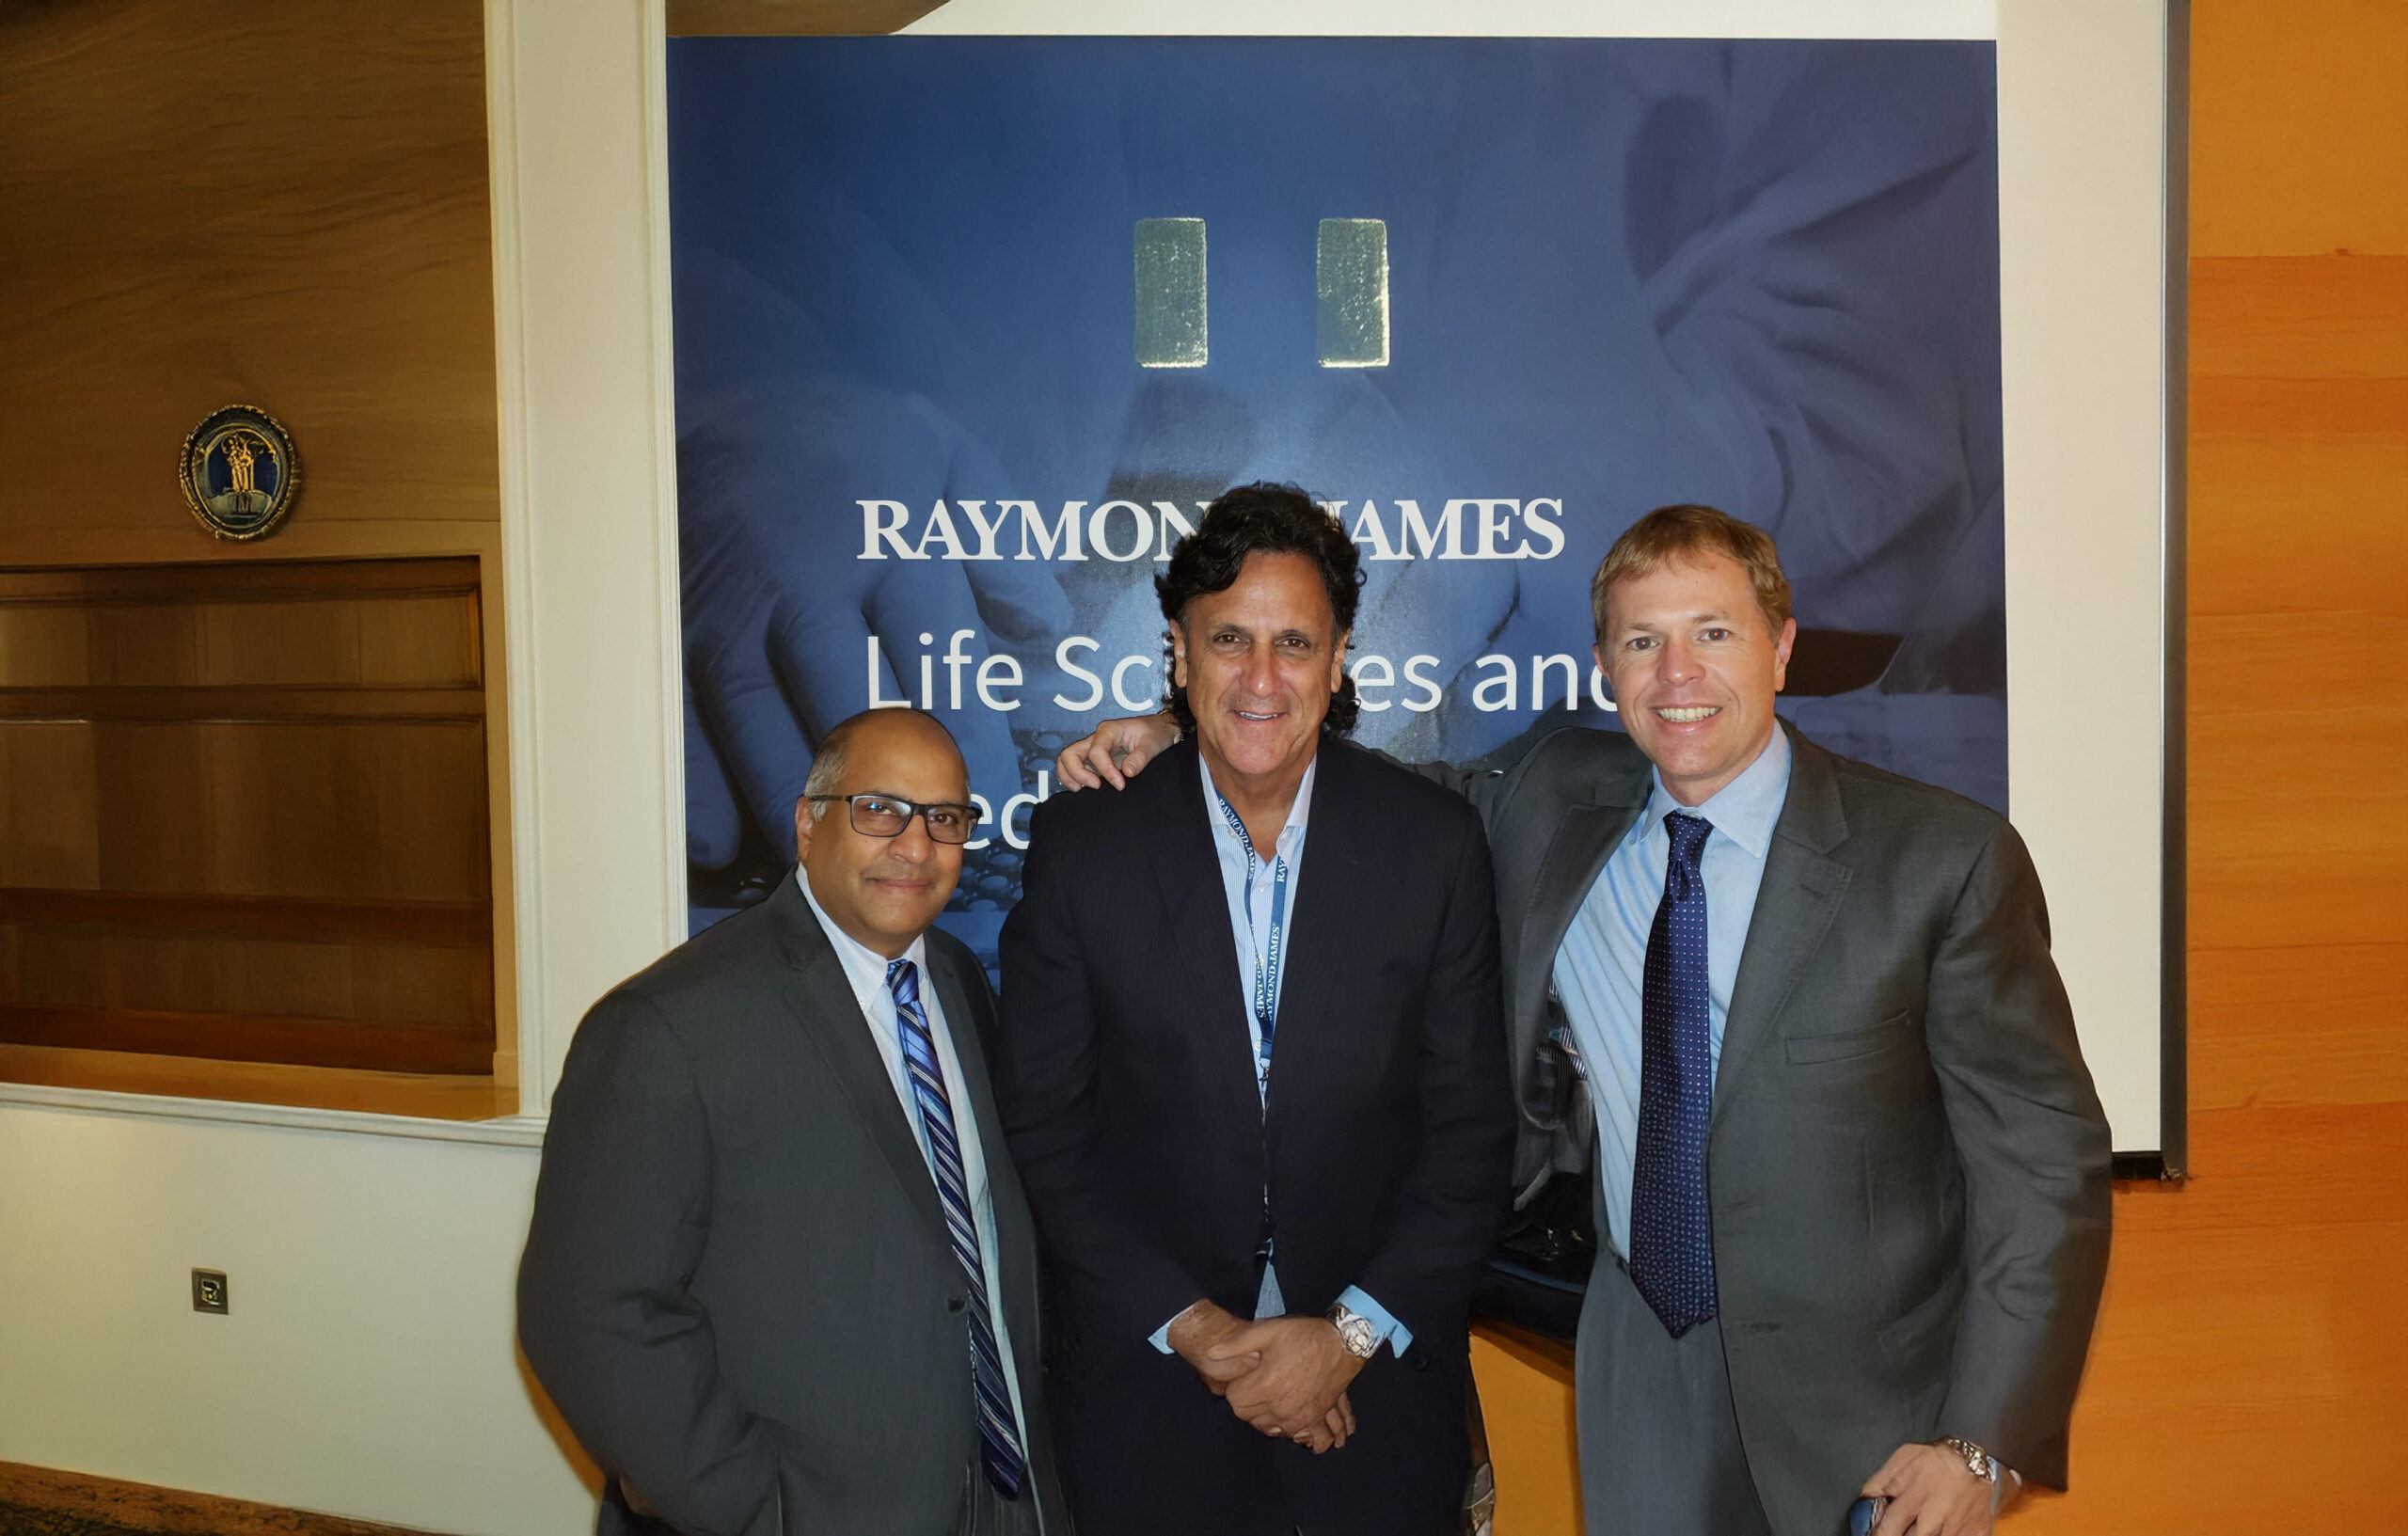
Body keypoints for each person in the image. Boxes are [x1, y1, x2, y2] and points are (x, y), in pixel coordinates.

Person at [1054, 504, 2113, 1536]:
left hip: (1872, 1409)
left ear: (1782, 648)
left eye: (1713, 634)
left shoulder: (1943, 859)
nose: (1677, 675)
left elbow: (2042, 1165)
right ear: (1605, 667)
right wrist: (1195, 730)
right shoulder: (1554, 801)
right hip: (1638, 1368)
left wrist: (1979, 1441)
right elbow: (1335, 784)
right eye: (1642, 642)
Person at [994, 483, 1514, 1536]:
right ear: (1180, 654)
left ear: (1339, 657)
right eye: (1229, 638)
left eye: (1295, 642)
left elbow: (1469, 1136)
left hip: (1374, 1396)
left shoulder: (1433, 844)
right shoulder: (1085, 848)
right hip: (1149, 1398)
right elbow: (1046, 1131)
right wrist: (1201, 1332)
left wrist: (1344, 1339)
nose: (1262, 677)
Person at [519, 708, 1067, 1536]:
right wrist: (754, 1509)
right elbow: (592, 1312)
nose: (915, 845)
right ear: (808, 823)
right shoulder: (664, 1026)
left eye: (945, 818)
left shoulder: (959, 981)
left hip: (997, 1489)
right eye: (880, 809)